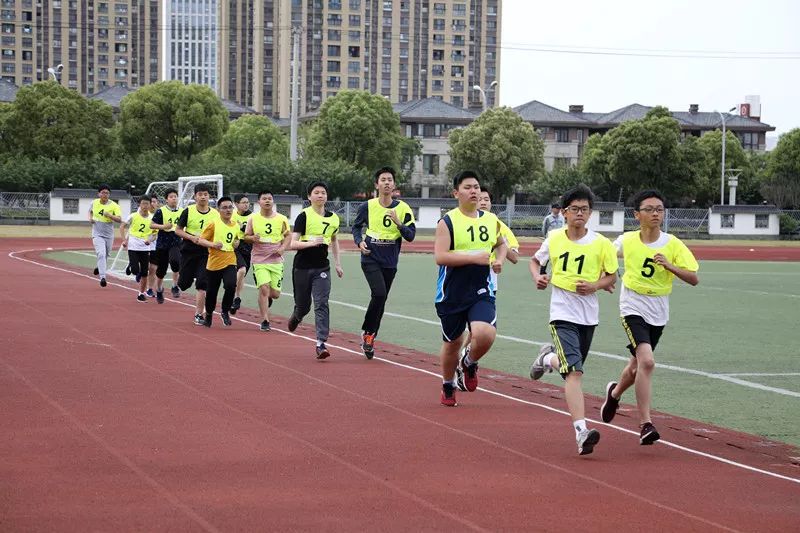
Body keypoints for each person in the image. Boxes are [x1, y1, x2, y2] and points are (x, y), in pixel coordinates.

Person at [600, 189, 699, 445]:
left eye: (659, 209)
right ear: (637, 215)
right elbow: (604, 257)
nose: (655, 214)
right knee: (647, 362)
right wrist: (604, 279)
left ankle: (615, 393)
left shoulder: (672, 243)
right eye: (649, 209)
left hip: (659, 309)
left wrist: (670, 266)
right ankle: (645, 424)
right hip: (633, 305)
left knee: (636, 365)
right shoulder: (627, 240)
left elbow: (693, 278)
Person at [529, 185, 618, 455]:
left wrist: (595, 285)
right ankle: (581, 431)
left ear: (590, 213)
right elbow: (535, 262)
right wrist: (539, 277)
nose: (580, 213)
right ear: (564, 212)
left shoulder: (601, 243)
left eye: (585, 209)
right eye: (575, 209)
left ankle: (546, 359)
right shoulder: (554, 238)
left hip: (588, 316)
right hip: (562, 314)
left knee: (570, 367)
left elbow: (612, 277)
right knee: (575, 372)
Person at [434, 170, 507, 407]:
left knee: (485, 333)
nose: (474, 191)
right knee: (453, 343)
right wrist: (473, 257)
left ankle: (469, 362)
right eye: (468, 187)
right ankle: (447, 383)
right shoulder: (447, 222)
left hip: (481, 290)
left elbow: (501, 244)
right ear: (456, 193)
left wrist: (499, 260)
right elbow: (440, 257)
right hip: (452, 293)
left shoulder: (490, 219)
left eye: (476, 186)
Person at [454, 188, 518, 388]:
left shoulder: (497, 226)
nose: (483, 202)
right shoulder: (461, 221)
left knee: (478, 329)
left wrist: (501, 249)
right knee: (464, 329)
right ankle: (462, 361)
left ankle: (465, 362)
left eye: (487, 199)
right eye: (480, 198)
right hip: (462, 282)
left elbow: (514, 256)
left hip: (488, 284)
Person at [351, 166, 416, 359]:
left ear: (394, 184)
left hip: (390, 260)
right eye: (383, 180)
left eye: (390, 180)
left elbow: (411, 235)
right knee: (378, 294)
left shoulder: (403, 208)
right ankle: (368, 333)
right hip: (370, 257)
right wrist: (359, 241)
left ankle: (371, 335)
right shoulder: (368, 206)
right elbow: (356, 227)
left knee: (381, 299)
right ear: (376, 184)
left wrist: (398, 223)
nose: (386, 183)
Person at [287, 181, 344, 359]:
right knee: (304, 306)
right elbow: (292, 243)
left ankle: (321, 343)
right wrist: (312, 242)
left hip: (322, 267)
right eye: (316, 192)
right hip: (302, 267)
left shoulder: (334, 218)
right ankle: (297, 315)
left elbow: (334, 240)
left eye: (323, 193)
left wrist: (337, 263)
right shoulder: (304, 216)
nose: (320, 195)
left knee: (321, 303)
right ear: (309, 197)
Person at [244, 190, 291, 331]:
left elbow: (288, 236)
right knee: (264, 288)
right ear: (259, 202)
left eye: (270, 198)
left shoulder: (281, 218)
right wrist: (252, 238)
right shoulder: (253, 218)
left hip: (276, 259)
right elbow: (246, 236)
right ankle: (265, 319)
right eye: (264, 199)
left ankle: (267, 298)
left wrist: (282, 248)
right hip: (259, 259)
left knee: (275, 294)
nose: (267, 201)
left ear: (273, 201)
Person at [175, 184, 218, 325]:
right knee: (184, 284)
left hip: (206, 252)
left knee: (202, 283)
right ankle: (183, 281)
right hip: (189, 250)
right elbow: (178, 230)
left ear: (209, 196)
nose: (203, 197)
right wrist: (191, 237)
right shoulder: (188, 211)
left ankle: (199, 314)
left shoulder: (215, 214)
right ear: (195, 196)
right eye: (200, 194)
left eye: (205, 194)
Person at [196, 196, 240, 327]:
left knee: (231, 285)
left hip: (230, 260)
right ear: (218, 210)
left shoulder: (235, 225)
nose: (228, 210)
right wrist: (213, 244)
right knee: (212, 292)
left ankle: (225, 311)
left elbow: (236, 240)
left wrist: (237, 243)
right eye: (224, 208)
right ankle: (208, 314)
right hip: (214, 263)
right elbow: (201, 240)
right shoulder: (213, 223)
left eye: (230, 207)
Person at [148, 188, 183, 303]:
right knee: (161, 270)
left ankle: (175, 286)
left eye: (175, 196)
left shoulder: (182, 211)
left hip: (176, 242)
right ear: (166, 199)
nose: (174, 198)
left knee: (175, 262)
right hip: (163, 243)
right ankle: (158, 289)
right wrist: (163, 227)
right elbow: (152, 225)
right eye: (171, 197)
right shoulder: (161, 211)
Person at [119, 196, 154, 302]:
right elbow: (122, 226)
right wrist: (124, 240)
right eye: (143, 203)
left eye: (147, 204)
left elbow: (155, 234)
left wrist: (150, 240)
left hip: (145, 247)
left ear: (150, 205)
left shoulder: (152, 218)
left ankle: (141, 294)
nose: (145, 206)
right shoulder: (133, 216)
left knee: (144, 273)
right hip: (133, 246)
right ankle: (131, 265)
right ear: (139, 204)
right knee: (135, 271)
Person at [87, 184, 122, 287]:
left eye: (107, 193)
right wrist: (90, 218)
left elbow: (119, 219)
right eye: (103, 192)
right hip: (97, 233)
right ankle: (103, 277)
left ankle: (99, 267)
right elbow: (89, 212)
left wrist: (110, 215)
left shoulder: (114, 205)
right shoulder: (94, 202)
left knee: (105, 255)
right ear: (99, 194)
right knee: (101, 254)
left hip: (109, 234)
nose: (105, 194)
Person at [229, 194, 253, 315]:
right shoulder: (231, 215)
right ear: (236, 204)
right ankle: (236, 297)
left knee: (241, 275)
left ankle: (233, 297)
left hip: (247, 247)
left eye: (247, 202)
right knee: (242, 270)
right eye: (243, 202)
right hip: (234, 247)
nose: (246, 204)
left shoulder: (253, 217)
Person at [145, 194, 160, 298]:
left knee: (153, 268)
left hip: (155, 245)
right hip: (142, 245)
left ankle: (150, 289)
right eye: (151, 202)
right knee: (144, 267)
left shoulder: (160, 215)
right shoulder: (143, 214)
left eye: (155, 202)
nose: (153, 204)